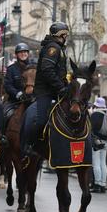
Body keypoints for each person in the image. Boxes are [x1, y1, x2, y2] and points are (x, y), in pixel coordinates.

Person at [20, 22, 69, 157]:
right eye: (65, 35)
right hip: (45, 92)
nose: (66, 37)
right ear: (61, 35)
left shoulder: (60, 48)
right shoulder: (52, 48)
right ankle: (30, 144)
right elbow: (47, 70)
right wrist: (60, 87)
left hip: (58, 90)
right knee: (41, 120)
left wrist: (66, 86)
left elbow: (61, 72)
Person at [90, 97, 107, 193]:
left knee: (96, 163)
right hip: (106, 142)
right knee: (103, 163)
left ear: (96, 105)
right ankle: (103, 184)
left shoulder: (95, 114)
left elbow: (92, 129)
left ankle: (97, 184)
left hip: (97, 141)